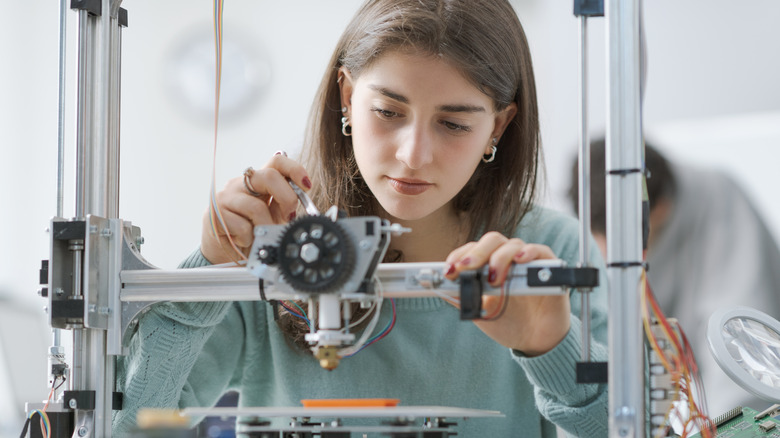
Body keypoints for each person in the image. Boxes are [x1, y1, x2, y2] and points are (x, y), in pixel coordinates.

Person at [114, 1, 609, 436]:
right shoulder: (275, 248)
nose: (413, 155)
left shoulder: (547, 252)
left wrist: (553, 349)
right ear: (347, 97)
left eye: (454, 123)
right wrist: (210, 266)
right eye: (389, 112)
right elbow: (127, 428)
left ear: (497, 125)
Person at [567, 139, 780, 416]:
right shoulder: (586, 216)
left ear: (662, 209)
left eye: (624, 241)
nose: (608, 254)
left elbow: (745, 354)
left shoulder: (718, 201)